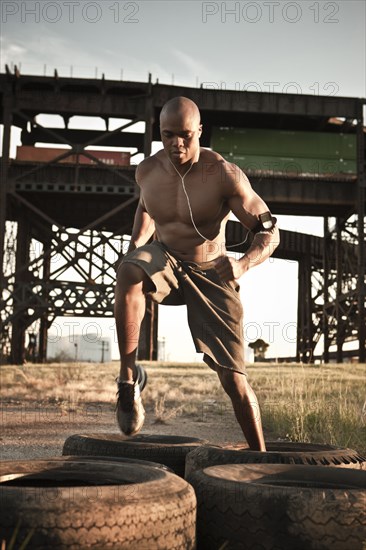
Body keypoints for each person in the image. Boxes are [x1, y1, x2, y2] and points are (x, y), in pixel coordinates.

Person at [114, 96, 280, 451]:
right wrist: (136, 246)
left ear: (200, 131)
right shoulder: (147, 171)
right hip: (167, 261)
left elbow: (269, 231)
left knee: (234, 381)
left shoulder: (222, 173)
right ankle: (128, 381)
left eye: (185, 136)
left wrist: (242, 264)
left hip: (211, 273)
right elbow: (146, 208)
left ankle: (262, 460)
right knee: (127, 271)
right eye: (168, 135)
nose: (176, 144)